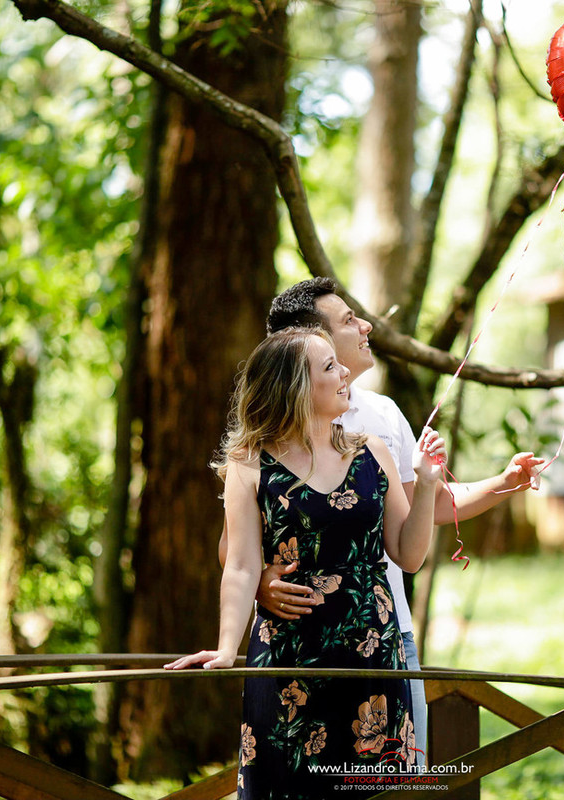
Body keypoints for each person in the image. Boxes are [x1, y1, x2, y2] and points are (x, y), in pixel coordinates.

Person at [230, 277, 545, 757]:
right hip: (295, 640)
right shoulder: (273, 428)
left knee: (393, 774)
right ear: (310, 341)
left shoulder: (381, 416)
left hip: (382, 631)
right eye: (348, 320)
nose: (366, 326)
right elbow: (236, 547)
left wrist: (506, 481)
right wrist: (260, 583)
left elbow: (425, 505)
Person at [165, 327, 446, 798]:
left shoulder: (373, 451)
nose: (345, 373)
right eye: (330, 366)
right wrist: (226, 648)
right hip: (285, 662)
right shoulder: (249, 464)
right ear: (295, 387)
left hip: (372, 659)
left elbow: (409, 555)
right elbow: (240, 565)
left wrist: (427, 483)